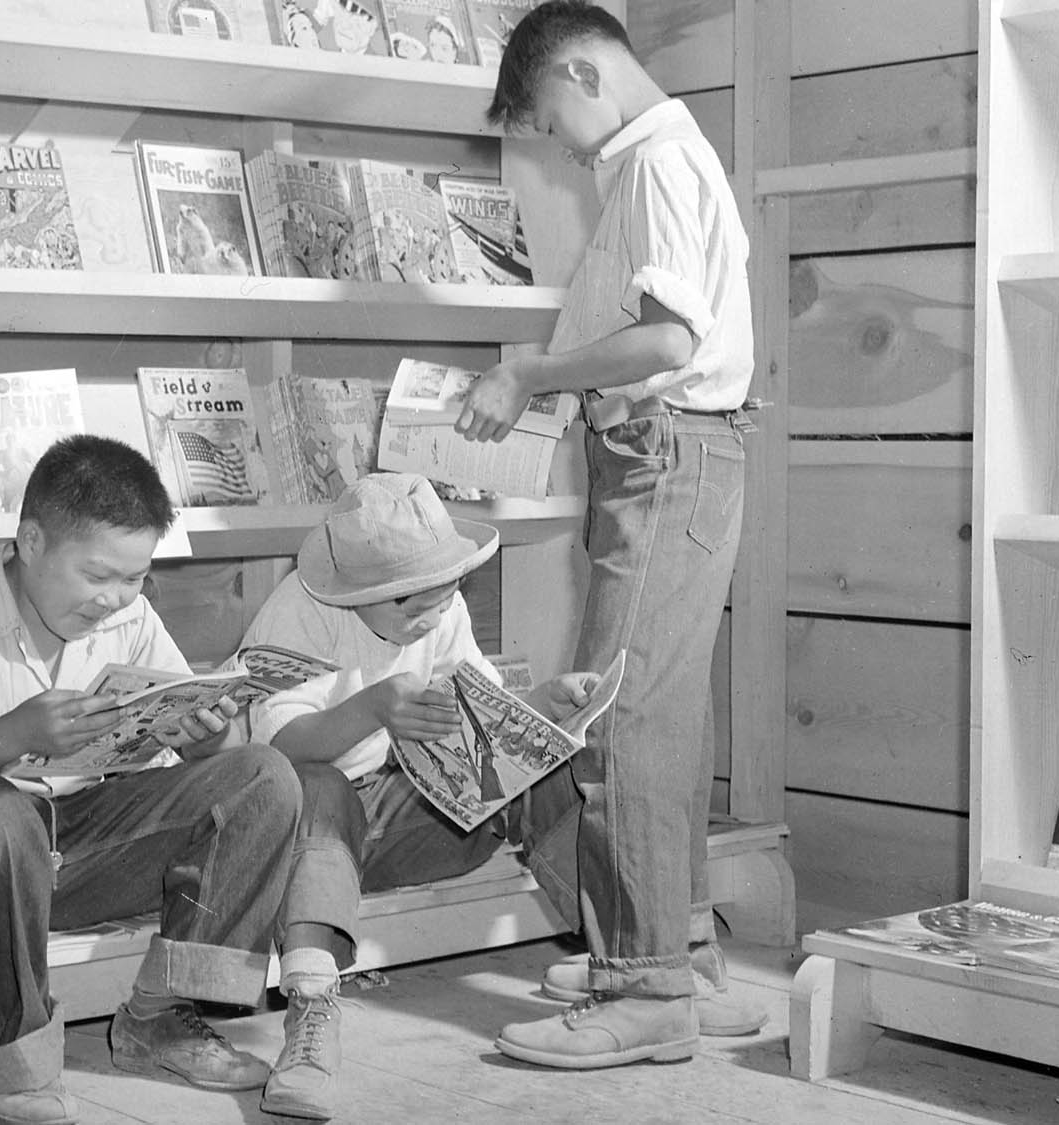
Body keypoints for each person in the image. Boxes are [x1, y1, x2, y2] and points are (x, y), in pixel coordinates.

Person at [461, 1, 764, 1068]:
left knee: (621, 709)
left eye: (545, 115)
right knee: (661, 709)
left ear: (585, 75)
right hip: (671, 451)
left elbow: (666, 337)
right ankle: (676, 956)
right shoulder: (649, 163)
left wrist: (528, 372)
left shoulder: (655, 166)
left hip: (665, 448)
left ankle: (643, 991)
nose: (549, 138)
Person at [0, 434, 303, 1124]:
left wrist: (213, 738)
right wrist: (14, 737)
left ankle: (162, 1015)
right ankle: (16, 1059)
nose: (114, 597)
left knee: (264, 774)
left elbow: (210, 750)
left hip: (91, 844)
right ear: (30, 541)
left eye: (134, 576)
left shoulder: (130, 616)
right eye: (97, 575)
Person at [240, 472, 604, 1119]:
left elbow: (482, 715)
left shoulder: (439, 606)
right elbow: (279, 754)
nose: (432, 616)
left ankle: (624, 963)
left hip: (410, 822)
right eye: (410, 605)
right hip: (307, 844)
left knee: (540, 768)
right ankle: (312, 1013)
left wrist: (543, 701)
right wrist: (376, 706)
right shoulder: (297, 610)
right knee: (316, 784)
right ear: (356, 592)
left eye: (446, 594)